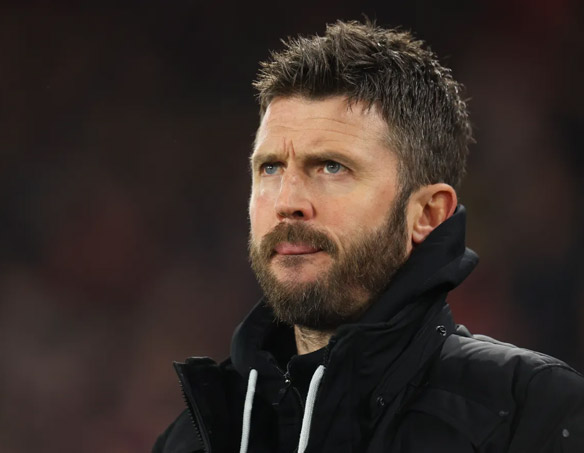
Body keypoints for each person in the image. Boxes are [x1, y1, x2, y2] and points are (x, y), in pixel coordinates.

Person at [153, 20, 584, 452]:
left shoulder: (532, 413)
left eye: (332, 167)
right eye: (270, 168)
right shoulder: (191, 438)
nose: (287, 201)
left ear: (427, 214)